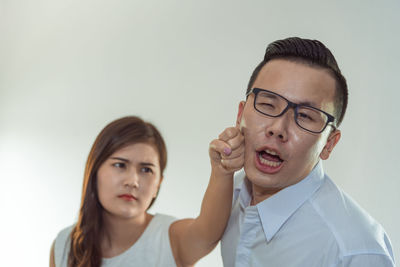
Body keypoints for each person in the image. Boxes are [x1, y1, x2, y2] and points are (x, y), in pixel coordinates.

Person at [220, 37, 395, 266]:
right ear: (240, 114)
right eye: (268, 104)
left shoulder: (355, 252)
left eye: (304, 116)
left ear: (329, 144)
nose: (277, 129)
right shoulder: (229, 191)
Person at [49, 116, 244, 267]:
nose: (132, 181)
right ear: (95, 171)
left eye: (146, 170)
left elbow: (208, 232)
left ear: (158, 183)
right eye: (119, 165)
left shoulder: (171, 237)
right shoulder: (65, 245)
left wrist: (222, 171)